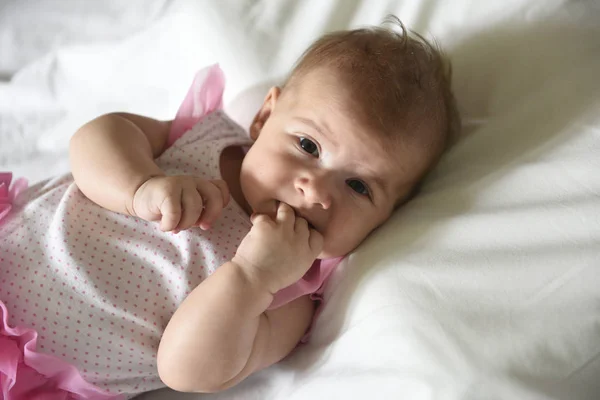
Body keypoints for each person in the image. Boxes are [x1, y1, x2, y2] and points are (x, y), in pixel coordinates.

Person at [0, 16, 460, 399]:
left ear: (388, 216)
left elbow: (186, 371)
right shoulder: (202, 139)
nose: (316, 191)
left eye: (359, 186)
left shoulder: (293, 293)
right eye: (307, 145)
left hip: (23, 373)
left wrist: (252, 278)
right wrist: (140, 186)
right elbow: (94, 140)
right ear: (263, 118)